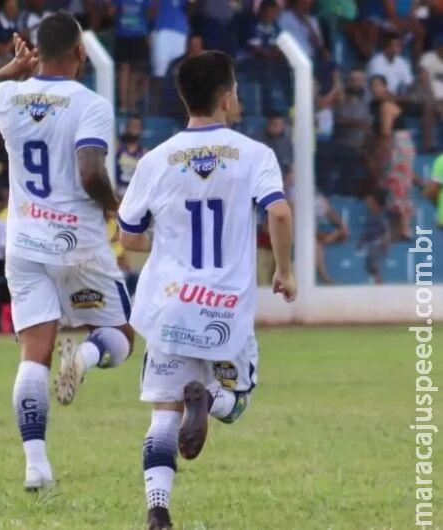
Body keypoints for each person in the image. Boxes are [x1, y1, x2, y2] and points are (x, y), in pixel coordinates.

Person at [116, 51, 296, 529]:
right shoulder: (255, 154)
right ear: (226, 96)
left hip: (171, 304)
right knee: (236, 402)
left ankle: (157, 509)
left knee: (162, 412)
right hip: (225, 310)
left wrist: (164, 243)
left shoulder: (155, 160)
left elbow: (130, 235)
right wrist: (285, 271)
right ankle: (208, 401)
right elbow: (278, 212)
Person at [0, 13, 135, 491]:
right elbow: (89, 171)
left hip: (25, 246)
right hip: (78, 244)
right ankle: (84, 357)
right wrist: (116, 207)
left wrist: (12, 69)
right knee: (120, 333)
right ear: (81, 53)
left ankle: (36, 466)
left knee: (32, 356)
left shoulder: (9, 96)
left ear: (37, 52)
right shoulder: (91, 105)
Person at [369, 74, 415, 240]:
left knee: (397, 184)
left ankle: (404, 228)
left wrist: (381, 157)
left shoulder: (386, 106)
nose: (375, 89)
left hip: (396, 146)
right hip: (398, 145)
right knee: (395, 184)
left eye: (378, 85)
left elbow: (386, 134)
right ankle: (399, 228)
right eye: (372, 86)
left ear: (385, 87)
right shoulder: (377, 106)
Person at [111, 0, 156, 113]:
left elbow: (151, 13)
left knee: (138, 73)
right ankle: (123, 105)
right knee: (124, 71)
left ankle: (131, 103)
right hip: (123, 36)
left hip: (139, 35)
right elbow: (110, 12)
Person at [150, 0, 188, 112]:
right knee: (159, 73)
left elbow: (190, 7)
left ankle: (184, 110)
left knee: (181, 72)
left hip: (181, 31)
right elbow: (151, 10)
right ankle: (155, 110)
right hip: (162, 30)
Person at [315, 192, 348, 284]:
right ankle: (325, 278)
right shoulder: (293, 195)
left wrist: (342, 227)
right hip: (300, 234)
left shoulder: (317, 197)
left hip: (315, 233)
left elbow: (330, 213)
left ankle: (325, 240)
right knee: (315, 243)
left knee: (342, 234)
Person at [357, 190, 390, 284]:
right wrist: (361, 241)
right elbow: (366, 231)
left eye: (370, 202)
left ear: (376, 204)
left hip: (377, 241)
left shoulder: (381, 216)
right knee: (369, 259)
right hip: (370, 241)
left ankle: (378, 278)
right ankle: (373, 277)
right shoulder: (369, 216)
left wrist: (386, 242)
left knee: (374, 253)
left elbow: (386, 231)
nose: (367, 204)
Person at [116, 114, 146, 197]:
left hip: (136, 194)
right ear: (127, 128)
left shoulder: (145, 154)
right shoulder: (117, 149)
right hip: (118, 192)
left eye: (137, 127)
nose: (134, 129)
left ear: (141, 130)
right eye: (132, 126)